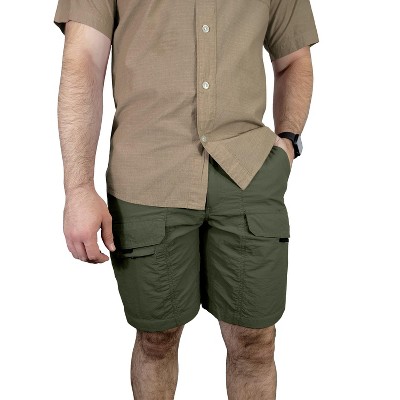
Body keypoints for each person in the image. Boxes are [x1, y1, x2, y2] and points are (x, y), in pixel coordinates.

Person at [53, 0, 319, 398]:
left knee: (255, 341)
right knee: (156, 339)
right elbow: (83, 60)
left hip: (249, 173)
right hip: (146, 179)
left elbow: (293, 58)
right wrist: (78, 188)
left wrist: (289, 141)